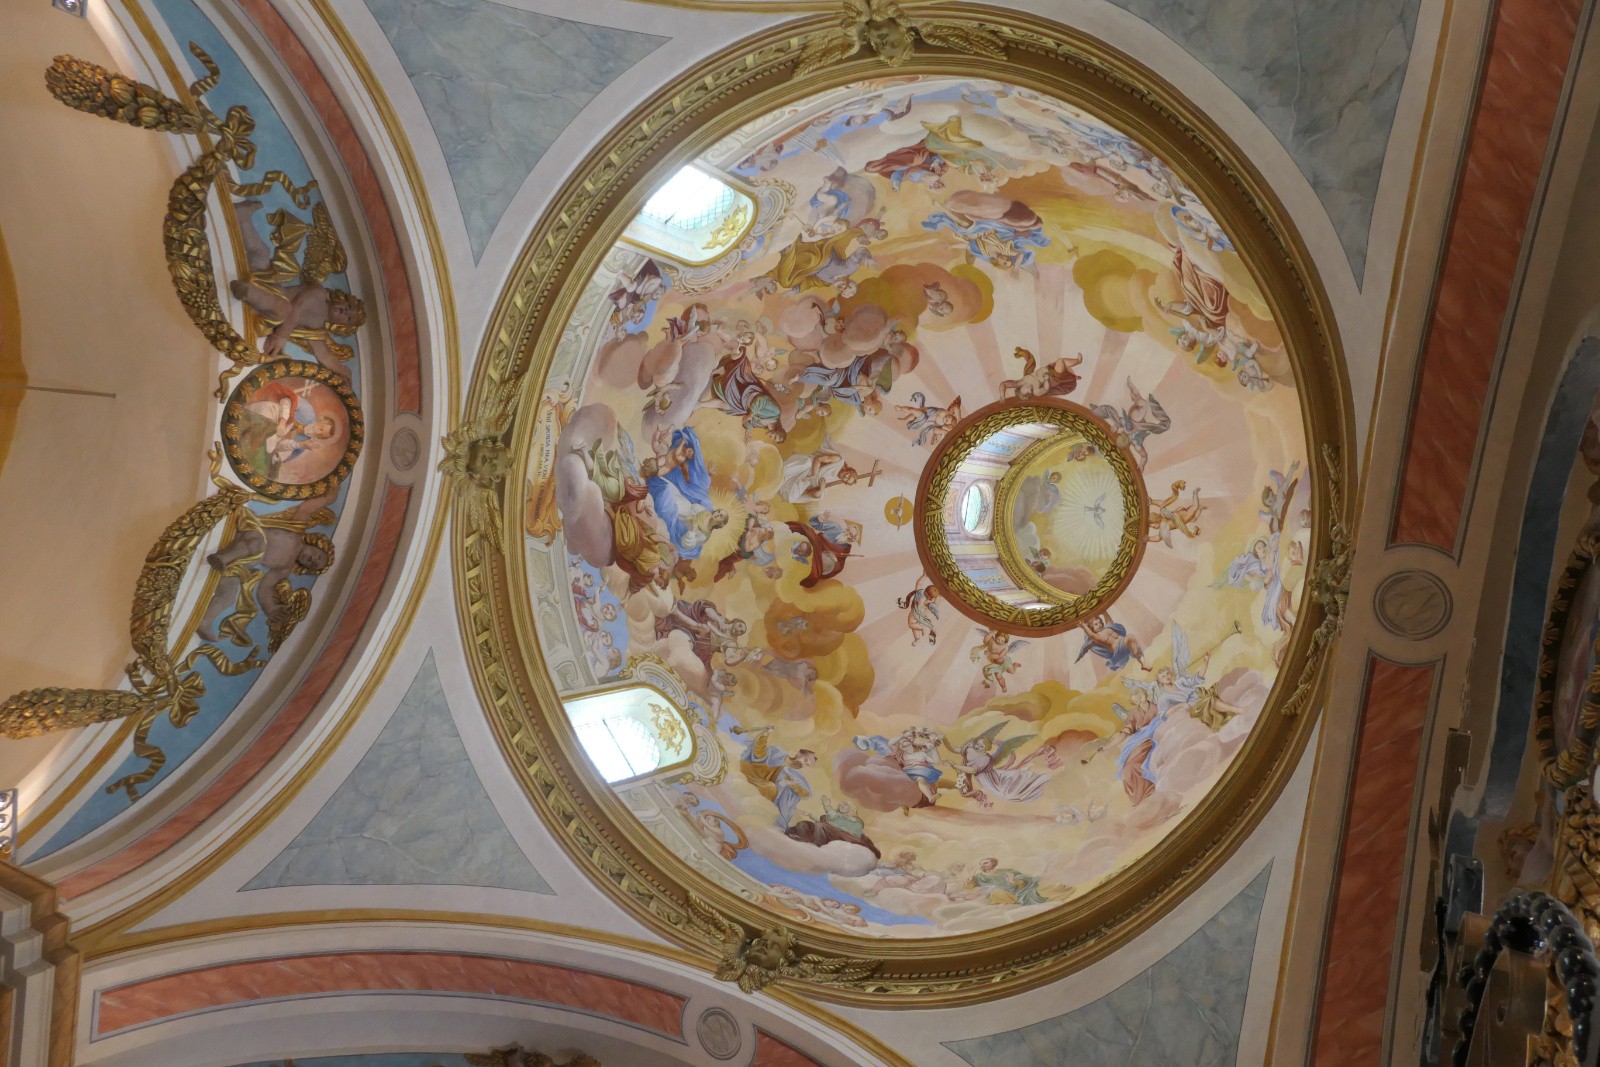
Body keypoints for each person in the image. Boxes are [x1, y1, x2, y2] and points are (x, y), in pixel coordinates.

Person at [734, 726, 816, 828]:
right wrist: (765, 735)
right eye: (805, 760)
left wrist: (793, 785)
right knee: (770, 788)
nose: (803, 764)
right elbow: (759, 752)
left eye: (806, 764)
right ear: (799, 753)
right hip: (753, 772)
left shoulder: (796, 774)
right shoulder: (777, 753)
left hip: (766, 788)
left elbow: (807, 794)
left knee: (773, 790)